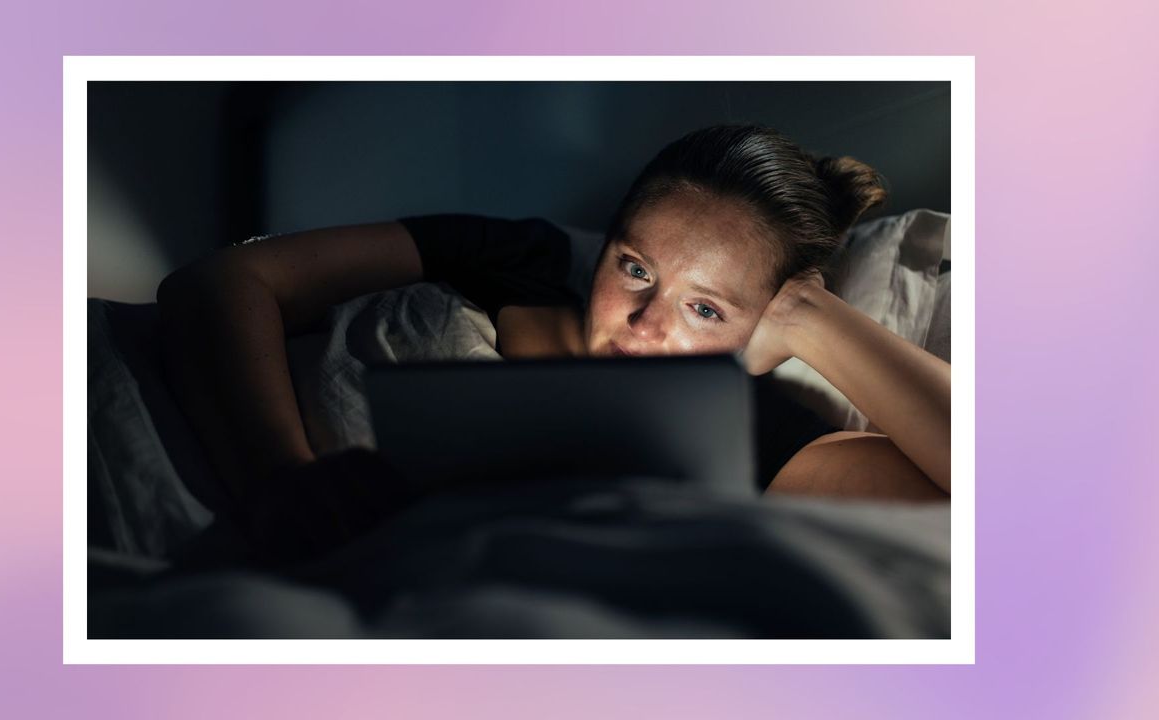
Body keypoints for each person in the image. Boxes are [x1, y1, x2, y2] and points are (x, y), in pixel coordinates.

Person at [156, 124, 950, 560]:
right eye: (634, 267)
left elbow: (999, 498)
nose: (645, 324)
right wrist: (283, 479)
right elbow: (221, 283)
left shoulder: (759, 430)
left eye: (705, 309)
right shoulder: (522, 260)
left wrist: (814, 318)